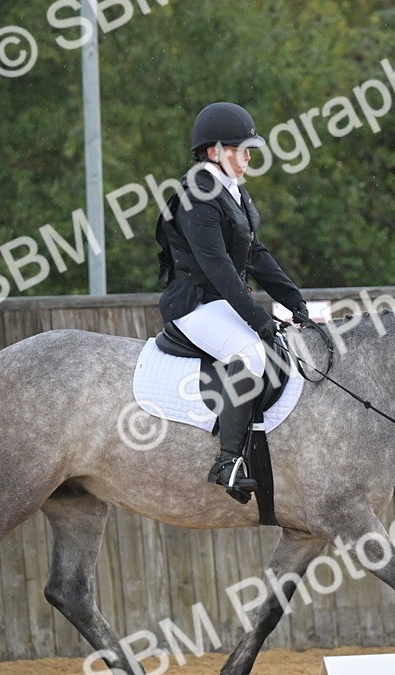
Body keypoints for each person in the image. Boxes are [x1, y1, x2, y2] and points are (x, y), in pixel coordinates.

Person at [155, 102, 309, 503]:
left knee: (279, 349)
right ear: (213, 153)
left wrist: (293, 299)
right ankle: (227, 463)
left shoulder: (232, 192)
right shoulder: (196, 198)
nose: (248, 156)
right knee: (252, 355)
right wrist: (259, 319)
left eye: (249, 149)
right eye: (241, 149)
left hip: (220, 300)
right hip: (194, 304)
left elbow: (255, 254)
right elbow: (219, 267)